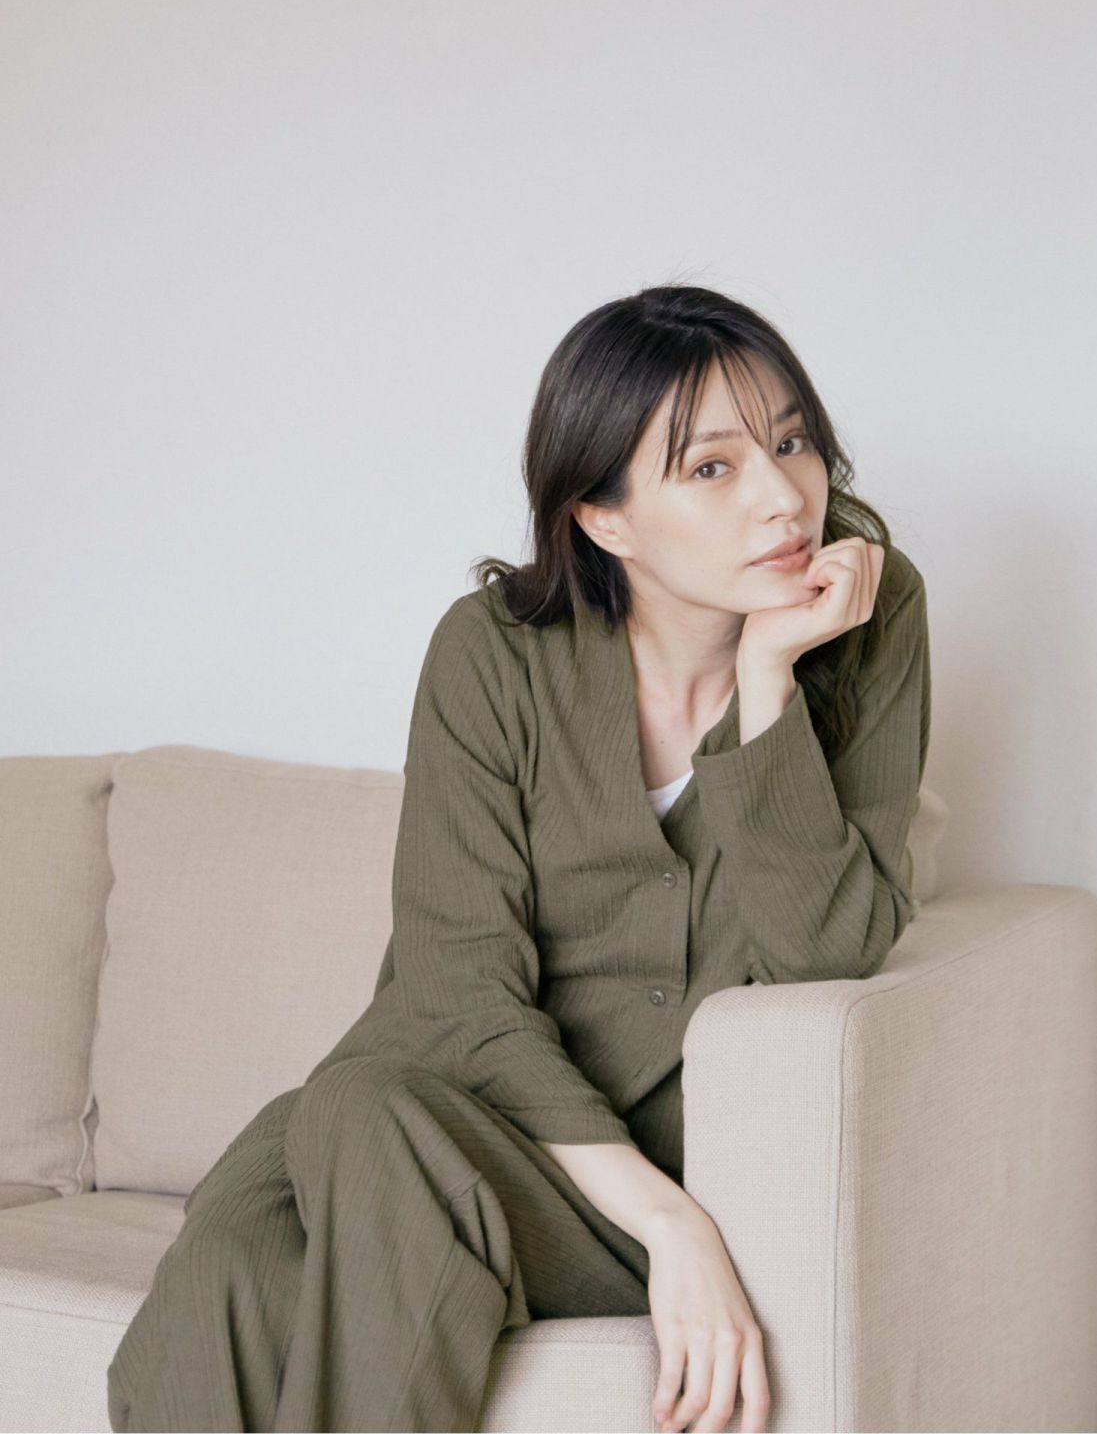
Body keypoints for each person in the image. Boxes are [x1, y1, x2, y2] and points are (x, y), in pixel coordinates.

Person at [107, 283, 930, 1433]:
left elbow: (829, 948)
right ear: (604, 519)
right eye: (712, 467)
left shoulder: (868, 621)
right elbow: (457, 993)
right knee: (226, 1282)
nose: (783, 497)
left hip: (570, 1177)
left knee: (360, 1119)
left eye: (790, 443)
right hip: (419, 1113)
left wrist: (766, 686)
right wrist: (671, 1226)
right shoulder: (492, 653)